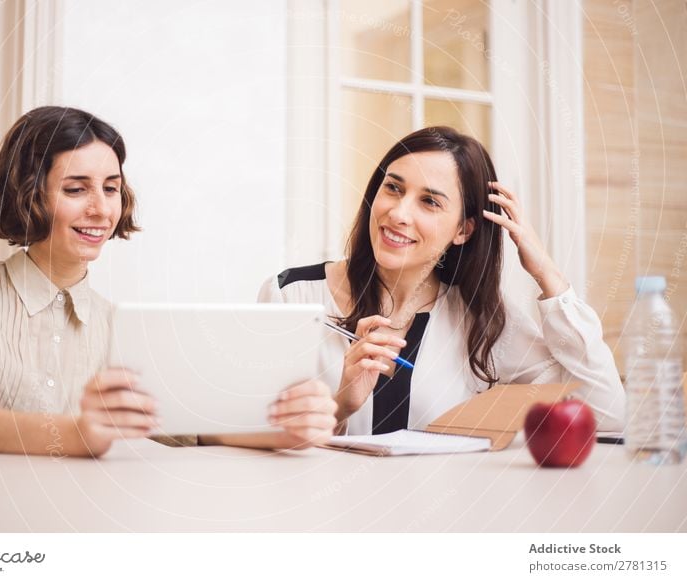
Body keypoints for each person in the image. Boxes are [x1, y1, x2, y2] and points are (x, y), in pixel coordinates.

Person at [0, 106, 336, 456]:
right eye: (75, 188)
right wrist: (73, 434)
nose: (102, 210)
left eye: (111, 188)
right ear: (27, 195)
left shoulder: (114, 324)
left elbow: (180, 426)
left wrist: (281, 431)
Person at [259, 126, 625, 436]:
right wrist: (341, 406)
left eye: (430, 202)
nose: (398, 213)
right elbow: (238, 428)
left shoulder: (482, 322)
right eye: (393, 188)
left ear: (463, 230)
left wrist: (548, 274)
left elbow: (605, 413)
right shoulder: (292, 295)